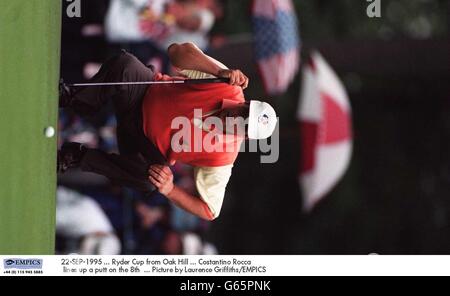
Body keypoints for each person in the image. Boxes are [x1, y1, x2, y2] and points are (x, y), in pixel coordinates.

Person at [58, 42, 277, 221]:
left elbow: (210, 211)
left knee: (150, 180)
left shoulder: (224, 156)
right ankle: (75, 100)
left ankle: (77, 156)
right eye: (245, 111)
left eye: (245, 124)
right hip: (141, 94)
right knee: (126, 64)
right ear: (247, 103)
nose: (238, 117)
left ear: (246, 136)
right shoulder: (226, 82)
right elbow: (175, 52)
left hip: (143, 145)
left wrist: (170, 189)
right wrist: (218, 71)